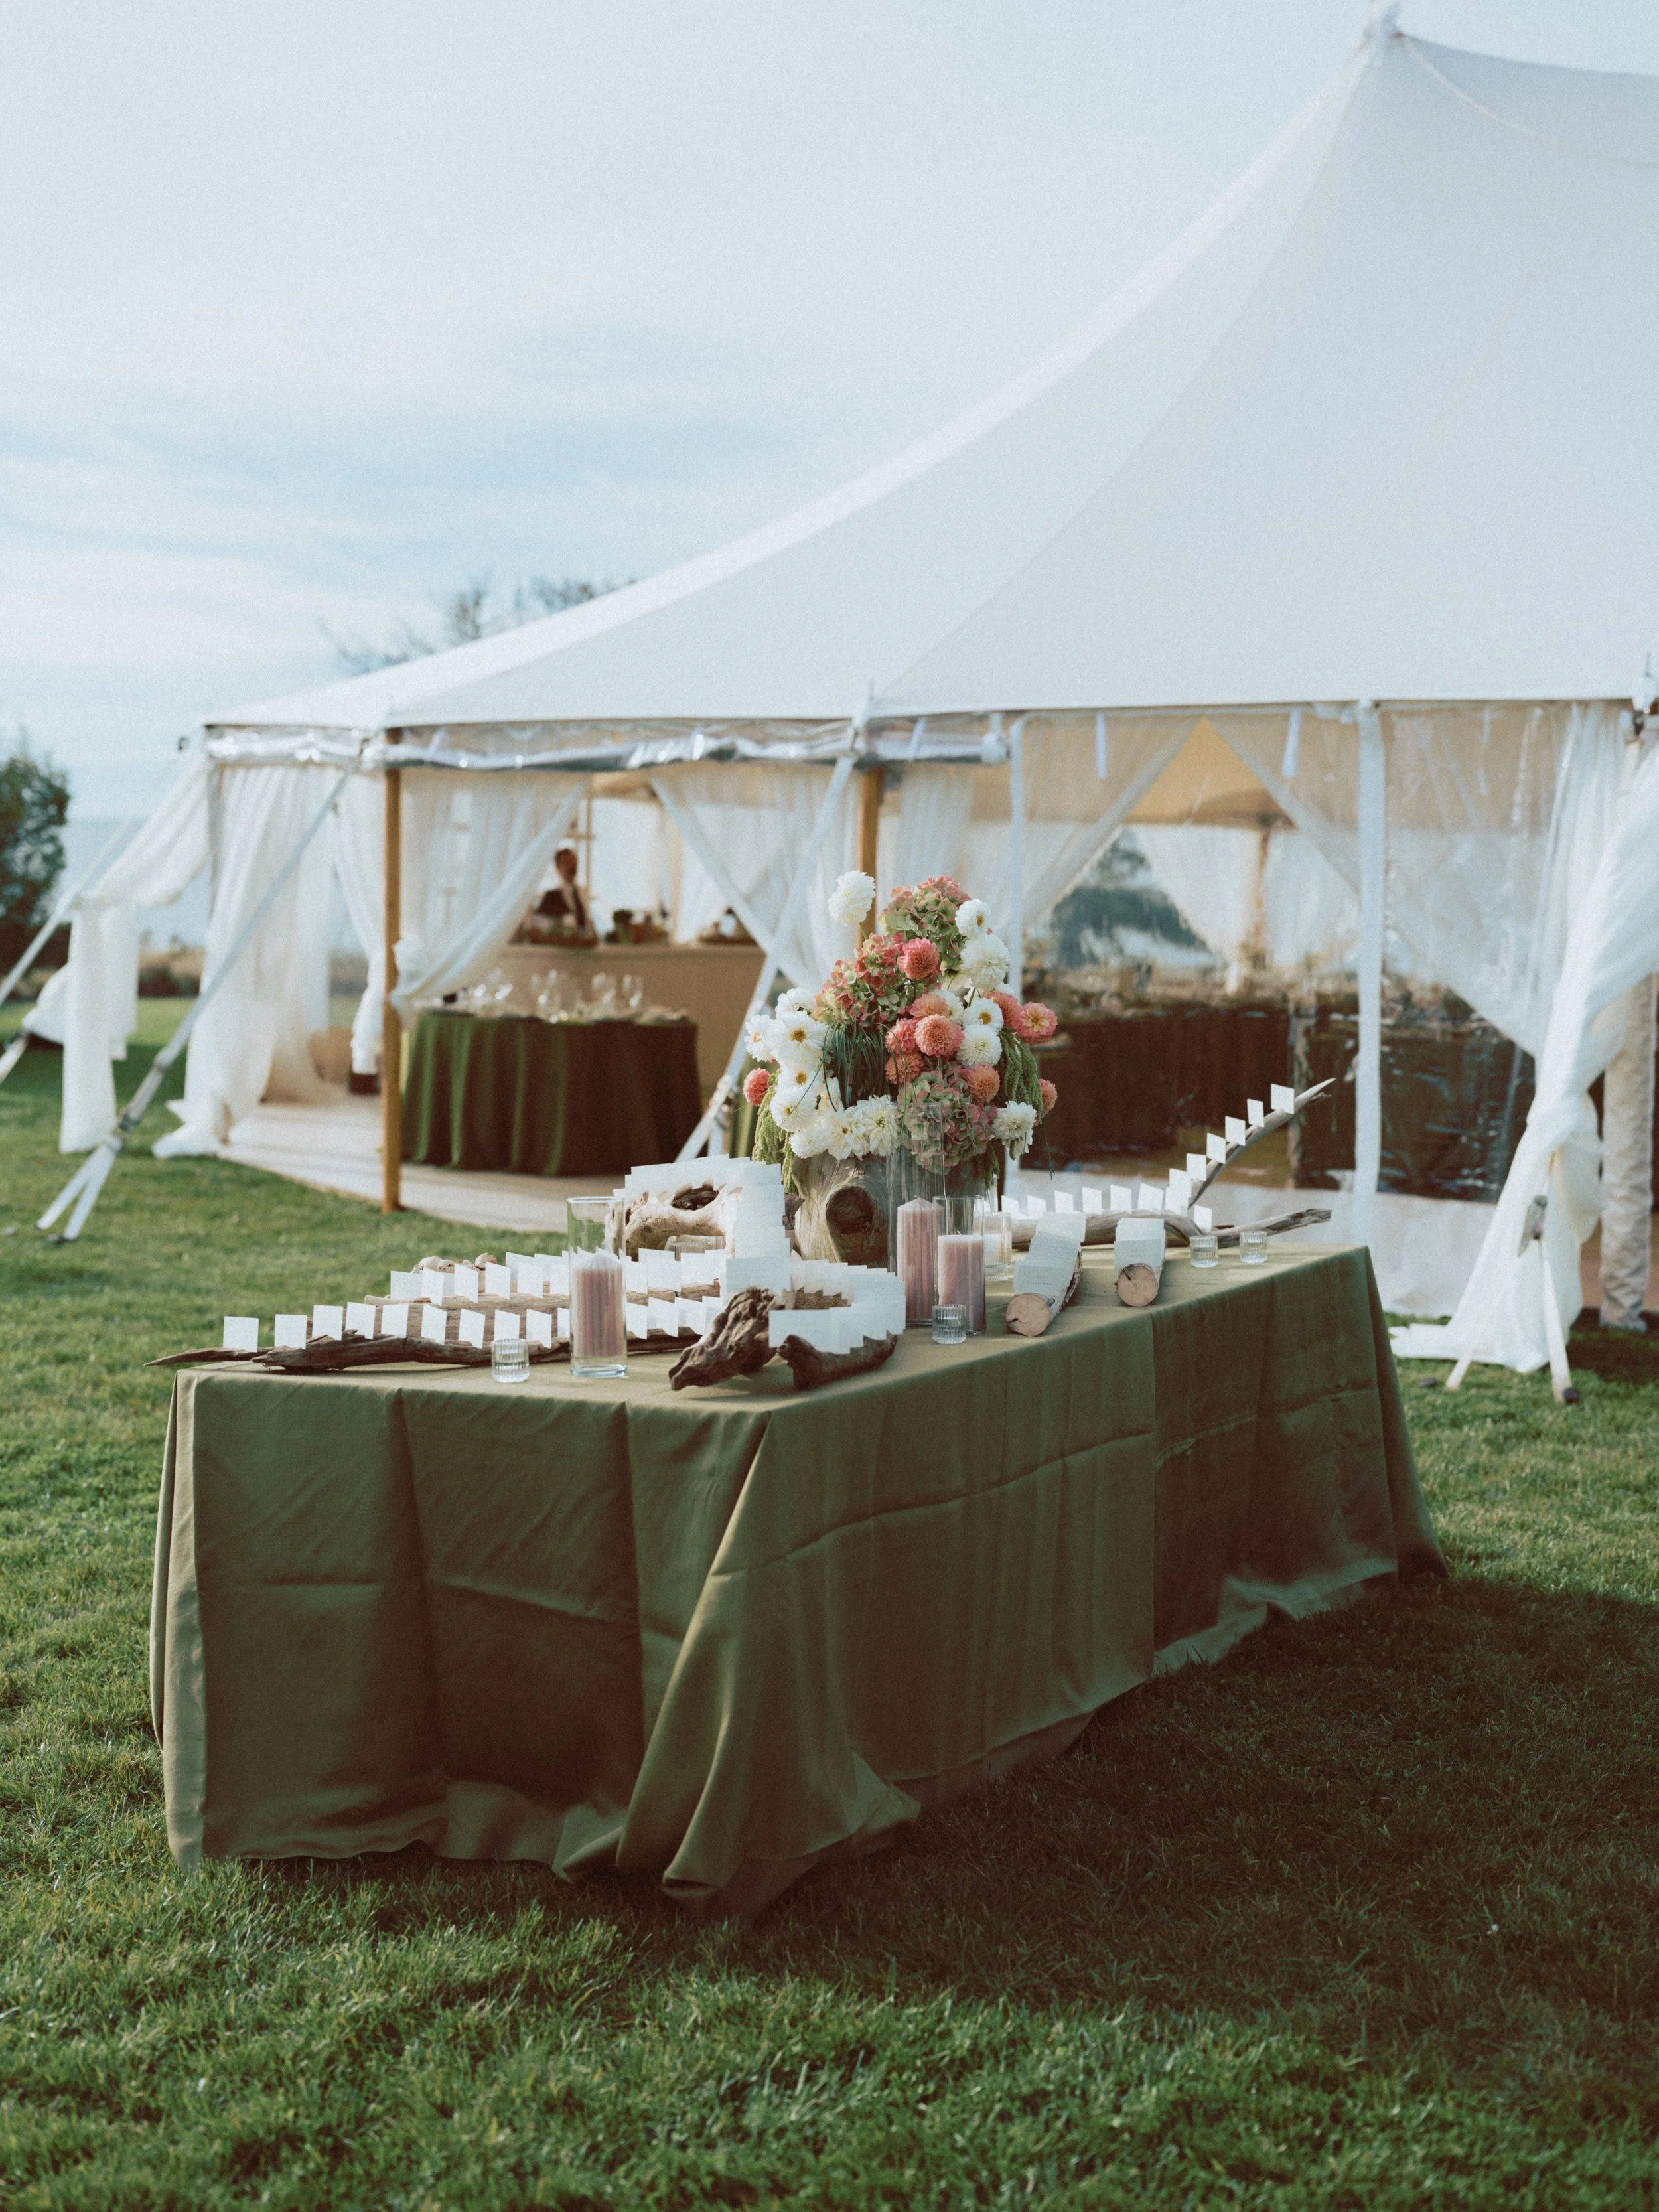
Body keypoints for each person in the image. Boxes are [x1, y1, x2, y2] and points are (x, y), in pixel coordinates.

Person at [536, 847, 591, 935]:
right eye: (567, 863)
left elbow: (588, 923)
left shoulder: (582, 892)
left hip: (583, 945)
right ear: (558, 868)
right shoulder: (551, 896)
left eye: (574, 862)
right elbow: (543, 927)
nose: (572, 866)